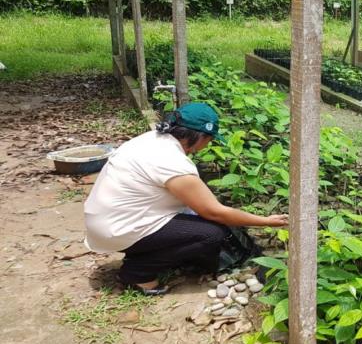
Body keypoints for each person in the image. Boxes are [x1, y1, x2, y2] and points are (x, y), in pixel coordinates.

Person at [84, 102, 288, 295]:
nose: (209, 145)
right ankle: (138, 273)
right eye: (210, 139)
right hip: (118, 228)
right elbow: (214, 212)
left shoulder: (151, 140)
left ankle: (143, 253)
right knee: (211, 234)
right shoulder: (172, 162)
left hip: (106, 221)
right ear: (200, 137)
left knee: (193, 220)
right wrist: (267, 221)